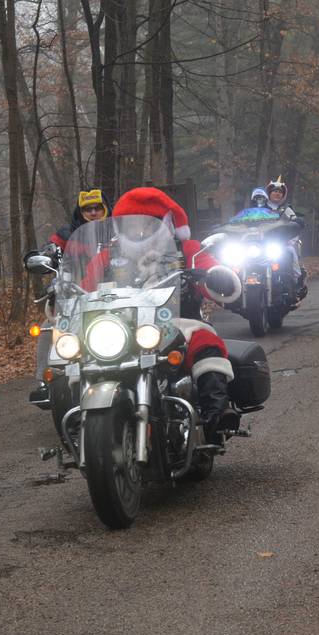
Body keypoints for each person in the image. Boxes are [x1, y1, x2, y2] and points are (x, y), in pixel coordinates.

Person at [89, 187, 239, 445]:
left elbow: (208, 268)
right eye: (132, 224)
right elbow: (84, 285)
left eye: (146, 224)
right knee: (78, 357)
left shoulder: (186, 250)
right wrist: (63, 296)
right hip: (121, 330)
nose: (139, 231)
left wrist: (217, 276)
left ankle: (216, 414)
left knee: (206, 342)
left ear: (164, 224)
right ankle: (84, 420)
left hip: (179, 322)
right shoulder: (107, 257)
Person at [29, 189, 113, 407]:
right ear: (80, 211)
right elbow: (51, 250)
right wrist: (46, 258)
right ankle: (46, 382)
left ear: (105, 209)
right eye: (88, 209)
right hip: (77, 296)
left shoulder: (117, 232)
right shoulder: (67, 234)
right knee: (50, 327)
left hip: (117, 295)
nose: (93, 212)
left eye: (97, 208)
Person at [265, 177, 307, 301]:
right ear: (269, 193)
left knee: (290, 252)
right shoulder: (260, 209)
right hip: (262, 243)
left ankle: (296, 282)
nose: (277, 193)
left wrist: (298, 221)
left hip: (283, 242)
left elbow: (295, 220)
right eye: (275, 191)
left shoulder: (286, 209)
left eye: (280, 192)